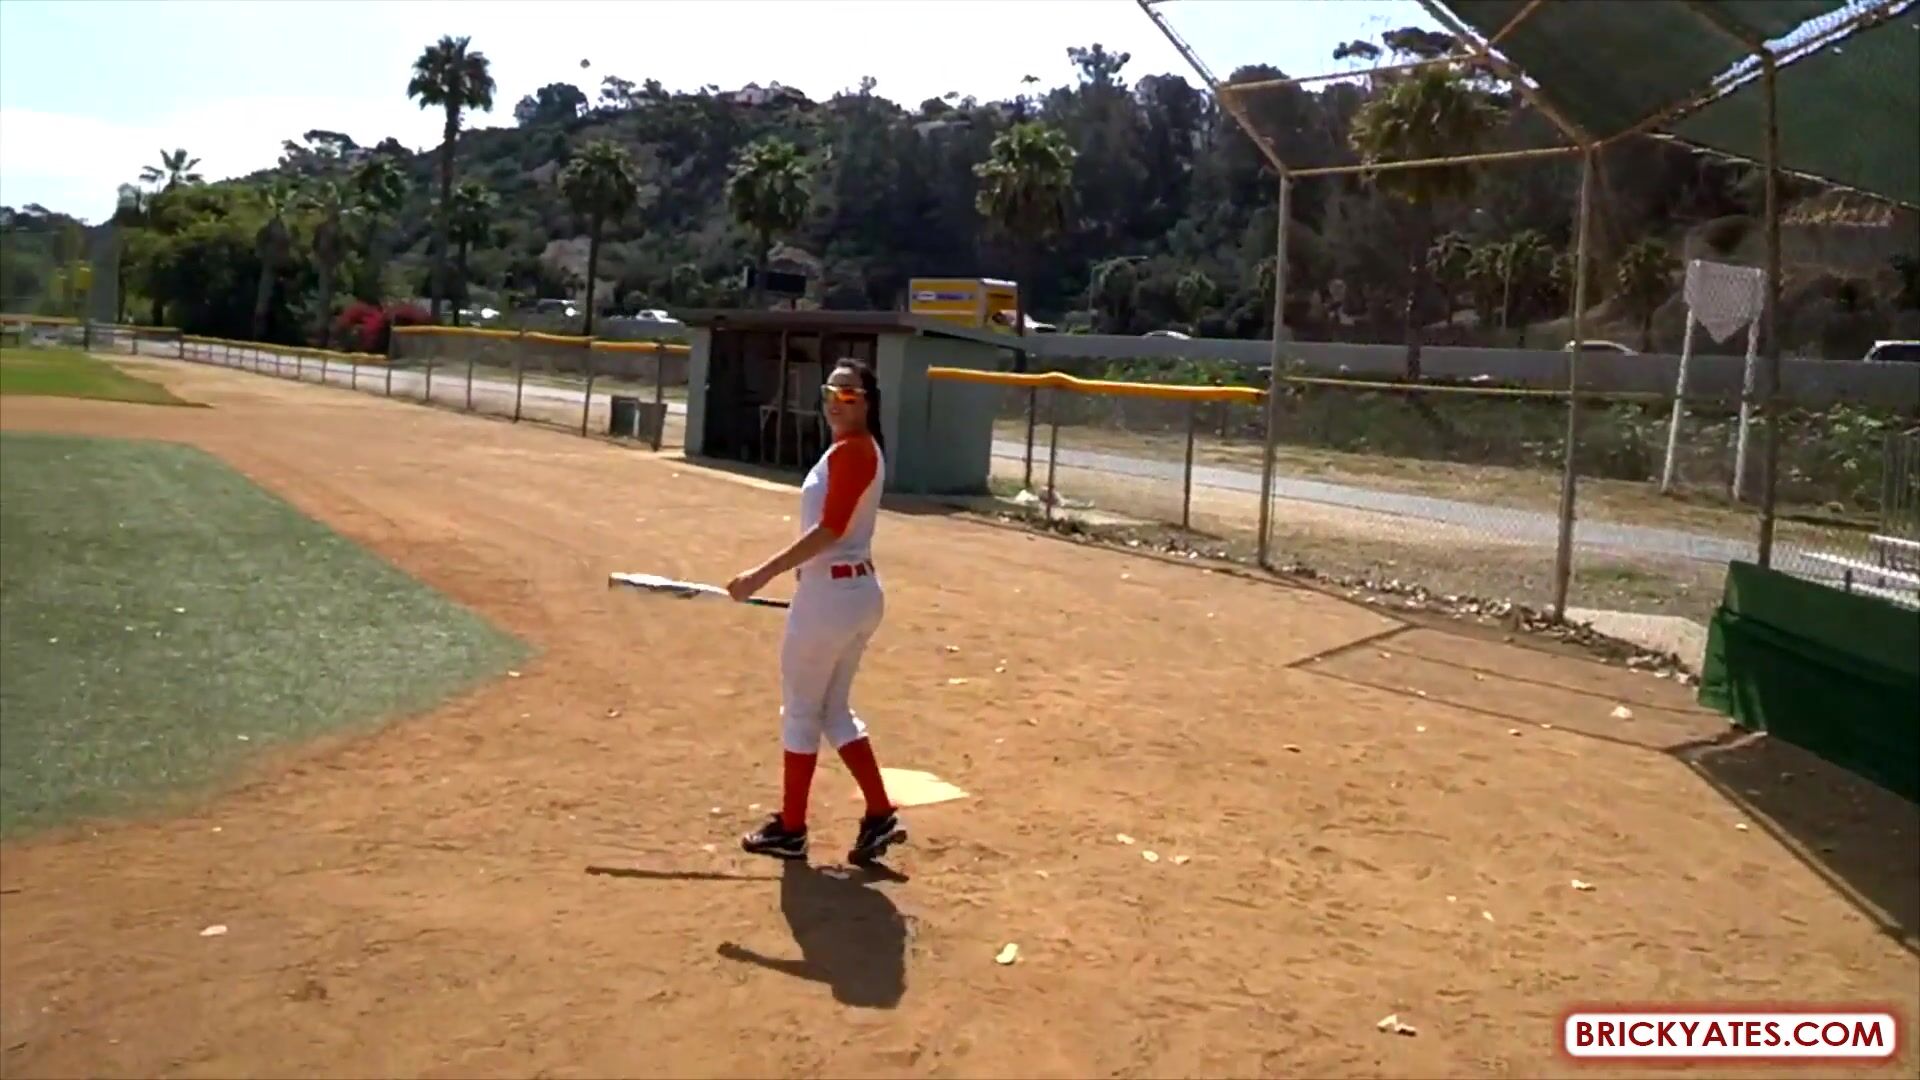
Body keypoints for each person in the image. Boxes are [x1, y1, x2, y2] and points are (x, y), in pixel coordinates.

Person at [726, 359, 905, 864]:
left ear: (867, 402)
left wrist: (761, 574)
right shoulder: (855, 449)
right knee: (833, 711)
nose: (836, 401)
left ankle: (792, 828)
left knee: (802, 711)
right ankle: (879, 813)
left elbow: (830, 529)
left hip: (831, 597)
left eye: (849, 394)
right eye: (831, 391)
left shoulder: (854, 450)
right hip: (850, 594)